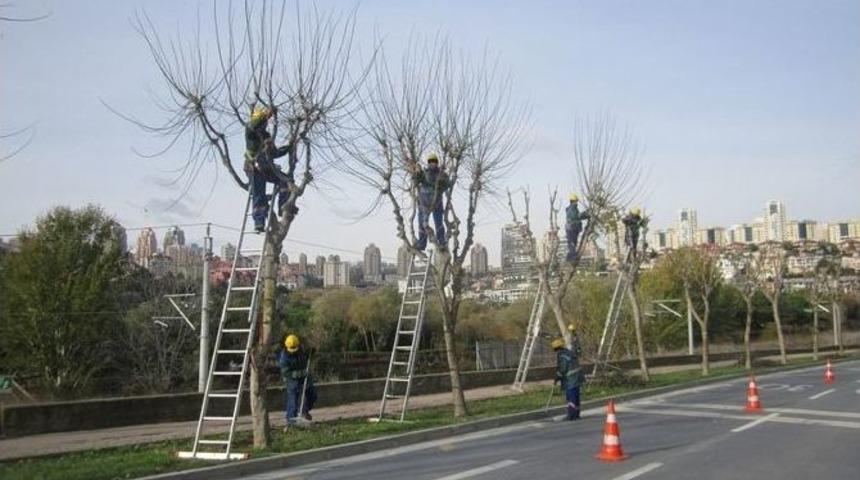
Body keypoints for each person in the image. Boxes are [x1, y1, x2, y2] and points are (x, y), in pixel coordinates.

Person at [245, 106, 292, 233]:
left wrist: (288, 148)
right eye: (262, 121)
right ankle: (259, 222)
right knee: (259, 194)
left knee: (286, 181)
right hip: (253, 167)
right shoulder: (251, 133)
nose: (264, 124)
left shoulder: (266, 135)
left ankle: (283, 207)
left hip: (266, 167)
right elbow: (253, 126)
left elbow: (274, 153)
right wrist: (267, 115)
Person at [278, 334, 317, 428]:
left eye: (295, 348)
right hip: (292, 380)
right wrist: (302, 373)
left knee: (312, 395)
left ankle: (304, 412)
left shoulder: (301, 350)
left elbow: (305, 357)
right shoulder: (284, 357)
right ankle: (291, 420)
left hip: (305, 378)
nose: (293, 351)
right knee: (293, 400)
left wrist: (310, 353)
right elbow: (286, 373)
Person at [413, 153, 449, 251]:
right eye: (430, 161)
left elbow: (447, 184)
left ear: (437, 162)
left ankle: (441, 242)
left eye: (434, 161)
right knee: (422, 223)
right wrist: (417, 173)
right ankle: (422, 244)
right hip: (423, 201)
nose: (432, 163)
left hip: (437, 201)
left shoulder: (441, 174)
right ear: (428, 163)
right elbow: (415, 182)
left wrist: (441, 184)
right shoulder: (423, 173)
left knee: (439, 222)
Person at [553, 328, 584, 420]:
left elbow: (563, 368)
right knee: (576, 396)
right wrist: (574, 334)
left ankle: (571, 415)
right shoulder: (569, 352)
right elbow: (578, 349)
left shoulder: (562, 355)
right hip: (577, 378)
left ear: (556, 349)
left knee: (571, 397)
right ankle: (576, 414)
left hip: (570, 380)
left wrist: (557, 377)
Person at [565, 193, 590, 262]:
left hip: (573, 228)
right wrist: (585, 215)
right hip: (571, 228)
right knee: (572, 243)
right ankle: (572, 257)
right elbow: (576, 216)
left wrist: (585, 214)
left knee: (573, 243)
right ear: (573, 201)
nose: (577, 203)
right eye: (576, 201)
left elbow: (578, 216)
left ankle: (570, 257)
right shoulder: (571, 209)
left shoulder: (574, 209)